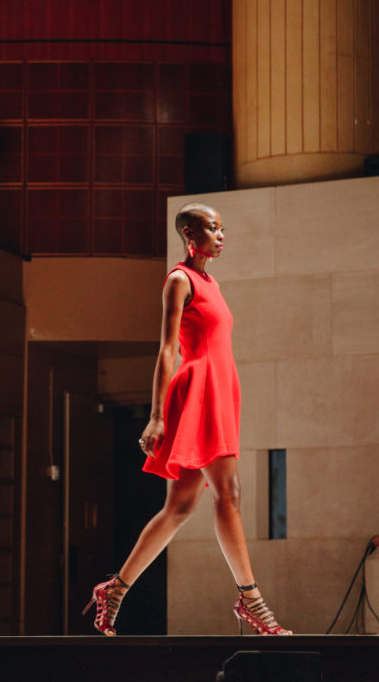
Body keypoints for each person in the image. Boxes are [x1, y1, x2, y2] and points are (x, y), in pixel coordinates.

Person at [83, 202, 291, 636]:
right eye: (212, 228)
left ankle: (115, 589)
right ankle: (251, 598)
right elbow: (167, 349)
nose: (221, 235)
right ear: (189, 235)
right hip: (195, 391)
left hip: (218, 391)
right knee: (227, 493)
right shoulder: (179, 280)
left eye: (221, 228)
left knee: (178, 508)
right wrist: (156, 415)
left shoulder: (210, 282)